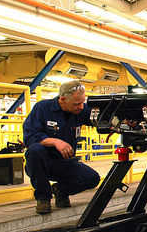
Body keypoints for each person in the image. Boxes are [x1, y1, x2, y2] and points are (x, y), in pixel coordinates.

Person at [23, 80, 100, 214]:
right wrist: (55, 141)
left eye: (82, 102)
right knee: (35, 150)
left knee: (92, 178)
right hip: (42, 164)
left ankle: (61, 191)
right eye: (76, 104)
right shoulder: (43, 108)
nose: (81, 107)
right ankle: (43, 198)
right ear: (63, 99)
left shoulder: (81, 111)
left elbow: (101, 119)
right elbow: (30, 137)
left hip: (65, 163)